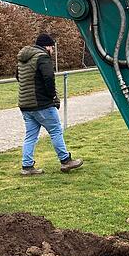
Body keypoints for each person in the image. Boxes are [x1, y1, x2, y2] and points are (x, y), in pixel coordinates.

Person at [16, 33, 83, 175]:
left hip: (25, 105)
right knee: (55, 130)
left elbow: (18, 77)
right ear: (46, 46)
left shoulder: (22, 59)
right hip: (42, 104)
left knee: (31, 136)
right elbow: (48, 77)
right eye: (52, 47)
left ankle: (27, 166)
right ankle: (65, 160)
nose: (52, 50)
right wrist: (52, 96)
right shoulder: (42, 57)